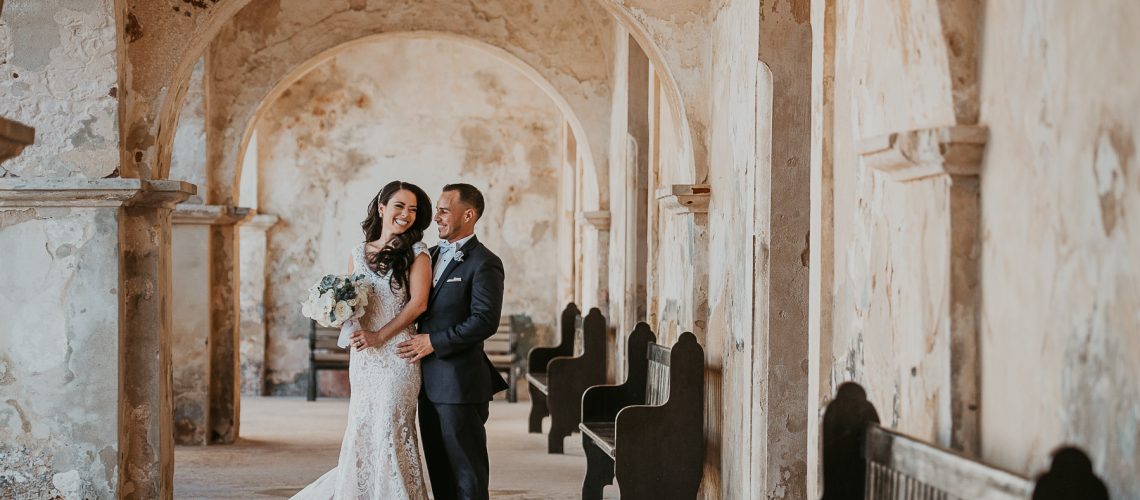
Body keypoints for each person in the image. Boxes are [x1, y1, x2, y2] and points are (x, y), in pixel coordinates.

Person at [292, 181, 433, 500]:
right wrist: (339, 316)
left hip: (399, 355)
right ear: (381, 208)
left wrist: (378, 336)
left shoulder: (417, 253)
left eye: (413, 209)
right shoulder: (358, 252)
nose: (406, 214)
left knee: (391, 428)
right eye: (399, 206)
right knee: (363, 429)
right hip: (366, 360)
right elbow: (355, 301)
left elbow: (418, 304)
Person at [397, 183, 509, 500]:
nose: (437, 217)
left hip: (460, 382)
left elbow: (484, 320)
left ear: (469, 214)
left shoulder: (485, 262)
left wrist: (434, 342)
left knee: (467, 471)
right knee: (439, 469)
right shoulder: (427, 256)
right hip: (426, 382)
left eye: (445, 210)